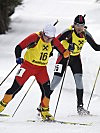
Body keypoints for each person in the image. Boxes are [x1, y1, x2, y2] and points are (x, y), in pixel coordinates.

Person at [0, 24, 70, 120]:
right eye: (47, 38)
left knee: (47, 90)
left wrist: (68, 52)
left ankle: (45, 112)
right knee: (15, 88)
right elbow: (18, 47)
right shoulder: (35, 37)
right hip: (27, 66)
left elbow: (63, 51)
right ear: (43, 33)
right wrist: (18, 58)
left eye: (51, 38)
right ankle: (1, 106)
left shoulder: (53, 40)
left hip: (41, 69)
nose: (48, 40)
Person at [49, 15, 100, 115]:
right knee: (55, 82)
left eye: (82, 25)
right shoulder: (68, 32)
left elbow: (95, 47)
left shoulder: (85, 34)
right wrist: (61, 50)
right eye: (77, 25)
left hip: (75, 59)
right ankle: (42, 106)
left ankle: (80, 107)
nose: (80, 27)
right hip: (63, 57)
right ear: (74, 24)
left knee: (79, 82)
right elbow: (54, 42)